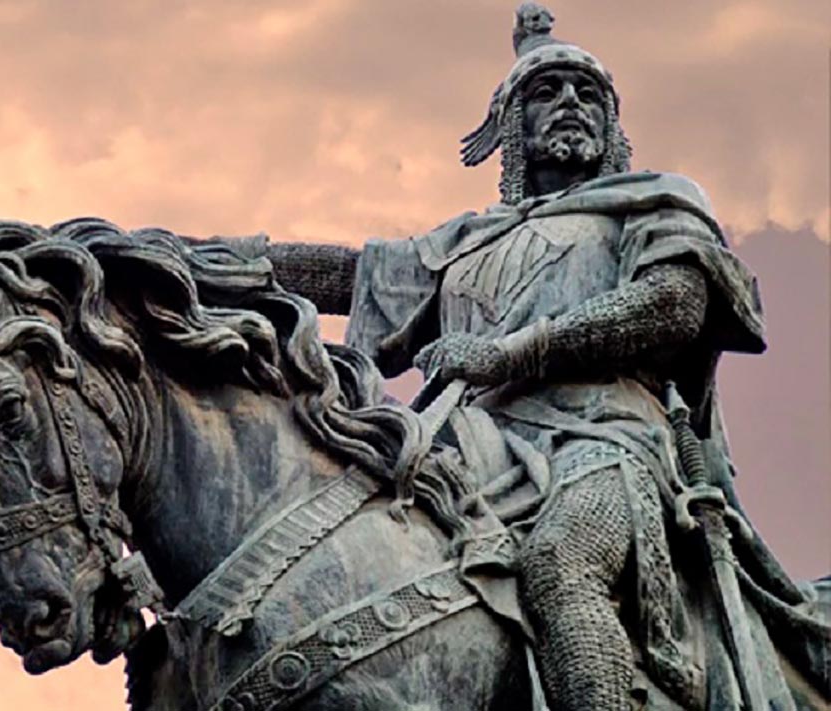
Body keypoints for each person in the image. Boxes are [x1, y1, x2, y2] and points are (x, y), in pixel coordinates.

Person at [241, 4, 830, 709]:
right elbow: (346, 274)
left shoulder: (651, 201)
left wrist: (507, 352)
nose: (571, 104)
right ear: (510, 130)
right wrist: (213, 260)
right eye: (547, 92)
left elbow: (671, 304)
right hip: (460, 453)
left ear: (614, 126)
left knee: (562, 566)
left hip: (605, 439)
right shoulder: (464, 242)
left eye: (588, 94)